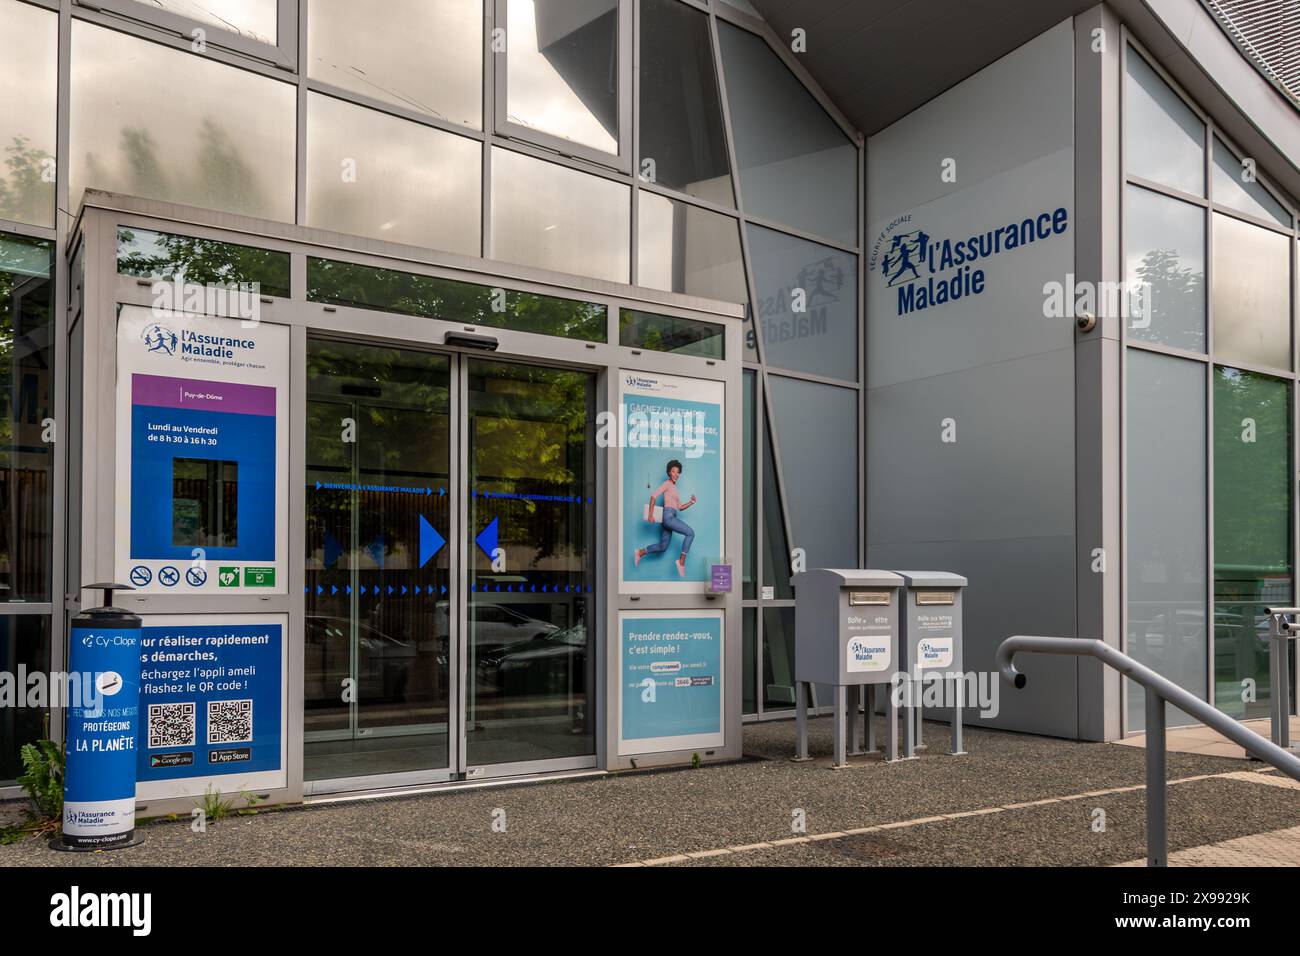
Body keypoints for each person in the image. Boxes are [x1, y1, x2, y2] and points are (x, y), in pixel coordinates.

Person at [634, 459, 697, 578]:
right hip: (668, 517)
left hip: (670, 517)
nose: (676, 474)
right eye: (673, 471)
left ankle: (640, 552)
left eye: (678, 472)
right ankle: (681, 561)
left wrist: (691, 502)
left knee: (663, 547)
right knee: (690, 533)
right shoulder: (667, 484)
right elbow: (653, 496)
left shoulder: (675, 489)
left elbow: (680, 507)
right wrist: (650, 515)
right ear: (669, 472)